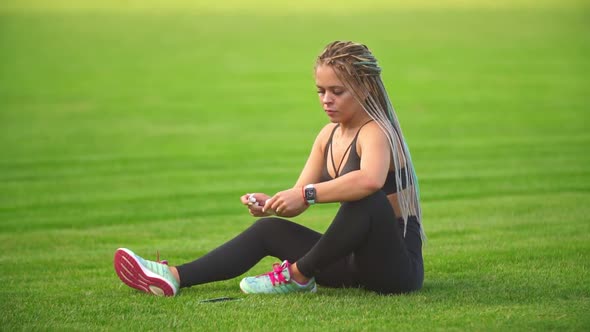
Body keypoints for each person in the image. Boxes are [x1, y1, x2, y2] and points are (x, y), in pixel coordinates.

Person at [114, 40, 425, 296]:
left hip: (395, 268)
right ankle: (174, 276)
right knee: (269, 230)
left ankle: (298, 276)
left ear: (366, 88)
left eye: (337, 91)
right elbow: (299, 199)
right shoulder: (327, 136)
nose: (326, 100)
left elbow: (368, 181)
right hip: (351, 261)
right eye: (321, 91)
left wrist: (306, 194)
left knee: (367, 202)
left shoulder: (376, 131)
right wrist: (273, 204)